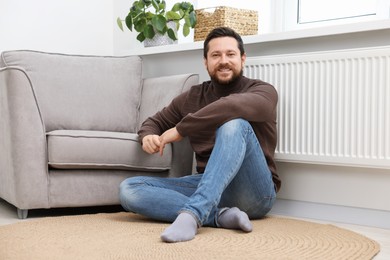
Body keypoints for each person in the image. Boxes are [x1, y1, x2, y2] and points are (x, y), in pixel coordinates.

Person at [119, 26, 280, 243]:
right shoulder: (193, 97)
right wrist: (148, 134)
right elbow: (154, 122)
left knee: (234, 124)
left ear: (243, 59)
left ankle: (193, 215)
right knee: (130, 189)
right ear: (206, 62)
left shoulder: (263, 92)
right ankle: (220, 216)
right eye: (216, 55)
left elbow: (230, 106)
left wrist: (180, 130)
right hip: (208, 184)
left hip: (255, 192)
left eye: (230, 54)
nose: (224, 60)